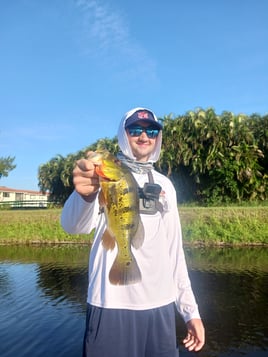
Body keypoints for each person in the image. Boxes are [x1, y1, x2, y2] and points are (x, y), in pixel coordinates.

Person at [61, 107, 205, 357]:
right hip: (110, 305)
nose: (144, 136)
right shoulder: (100, 180)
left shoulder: (166, 186)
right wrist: (85, 195)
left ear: (158, 137)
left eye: (151, 130)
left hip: (161, 306)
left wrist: (190, 311)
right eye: (135, 129)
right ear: (123, 134)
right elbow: (73, 226)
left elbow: (175, 252)